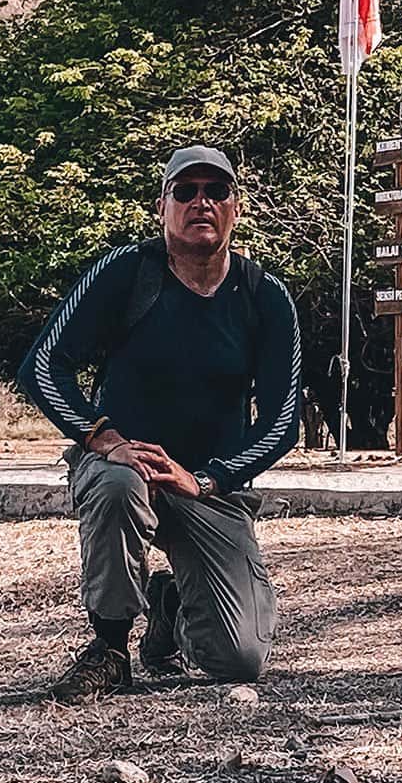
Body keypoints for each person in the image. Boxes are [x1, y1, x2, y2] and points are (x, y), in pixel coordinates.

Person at [18, 146, 303, 704]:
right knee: (119, 485)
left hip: (207, 485)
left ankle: (169, 607)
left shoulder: (266, 298)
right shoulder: (126, 272)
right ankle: (109, 649)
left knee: (238, 660)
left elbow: (281, 422)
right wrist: (104, 440)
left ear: (235, 209)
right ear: (162, 206)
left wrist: (210, 479)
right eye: (186, 192)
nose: (202, 203)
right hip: (130, 466)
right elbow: (43, 366)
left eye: (216, 192)